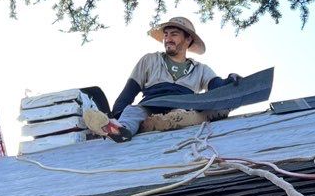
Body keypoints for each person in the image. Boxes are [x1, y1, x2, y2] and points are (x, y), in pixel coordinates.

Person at [86, 15, 238, 141]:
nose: (168, 38)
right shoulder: (150, 60)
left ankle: (170, 121)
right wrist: (117, 117)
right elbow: (127, 94)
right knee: (133, 112)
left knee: (186, 113)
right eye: (166, 35)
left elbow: (217, 86)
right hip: (151, 104)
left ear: (188, 40)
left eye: (174, 34)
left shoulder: (201, 69)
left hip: (183, 106)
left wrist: (231, 81)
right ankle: (120, 131)